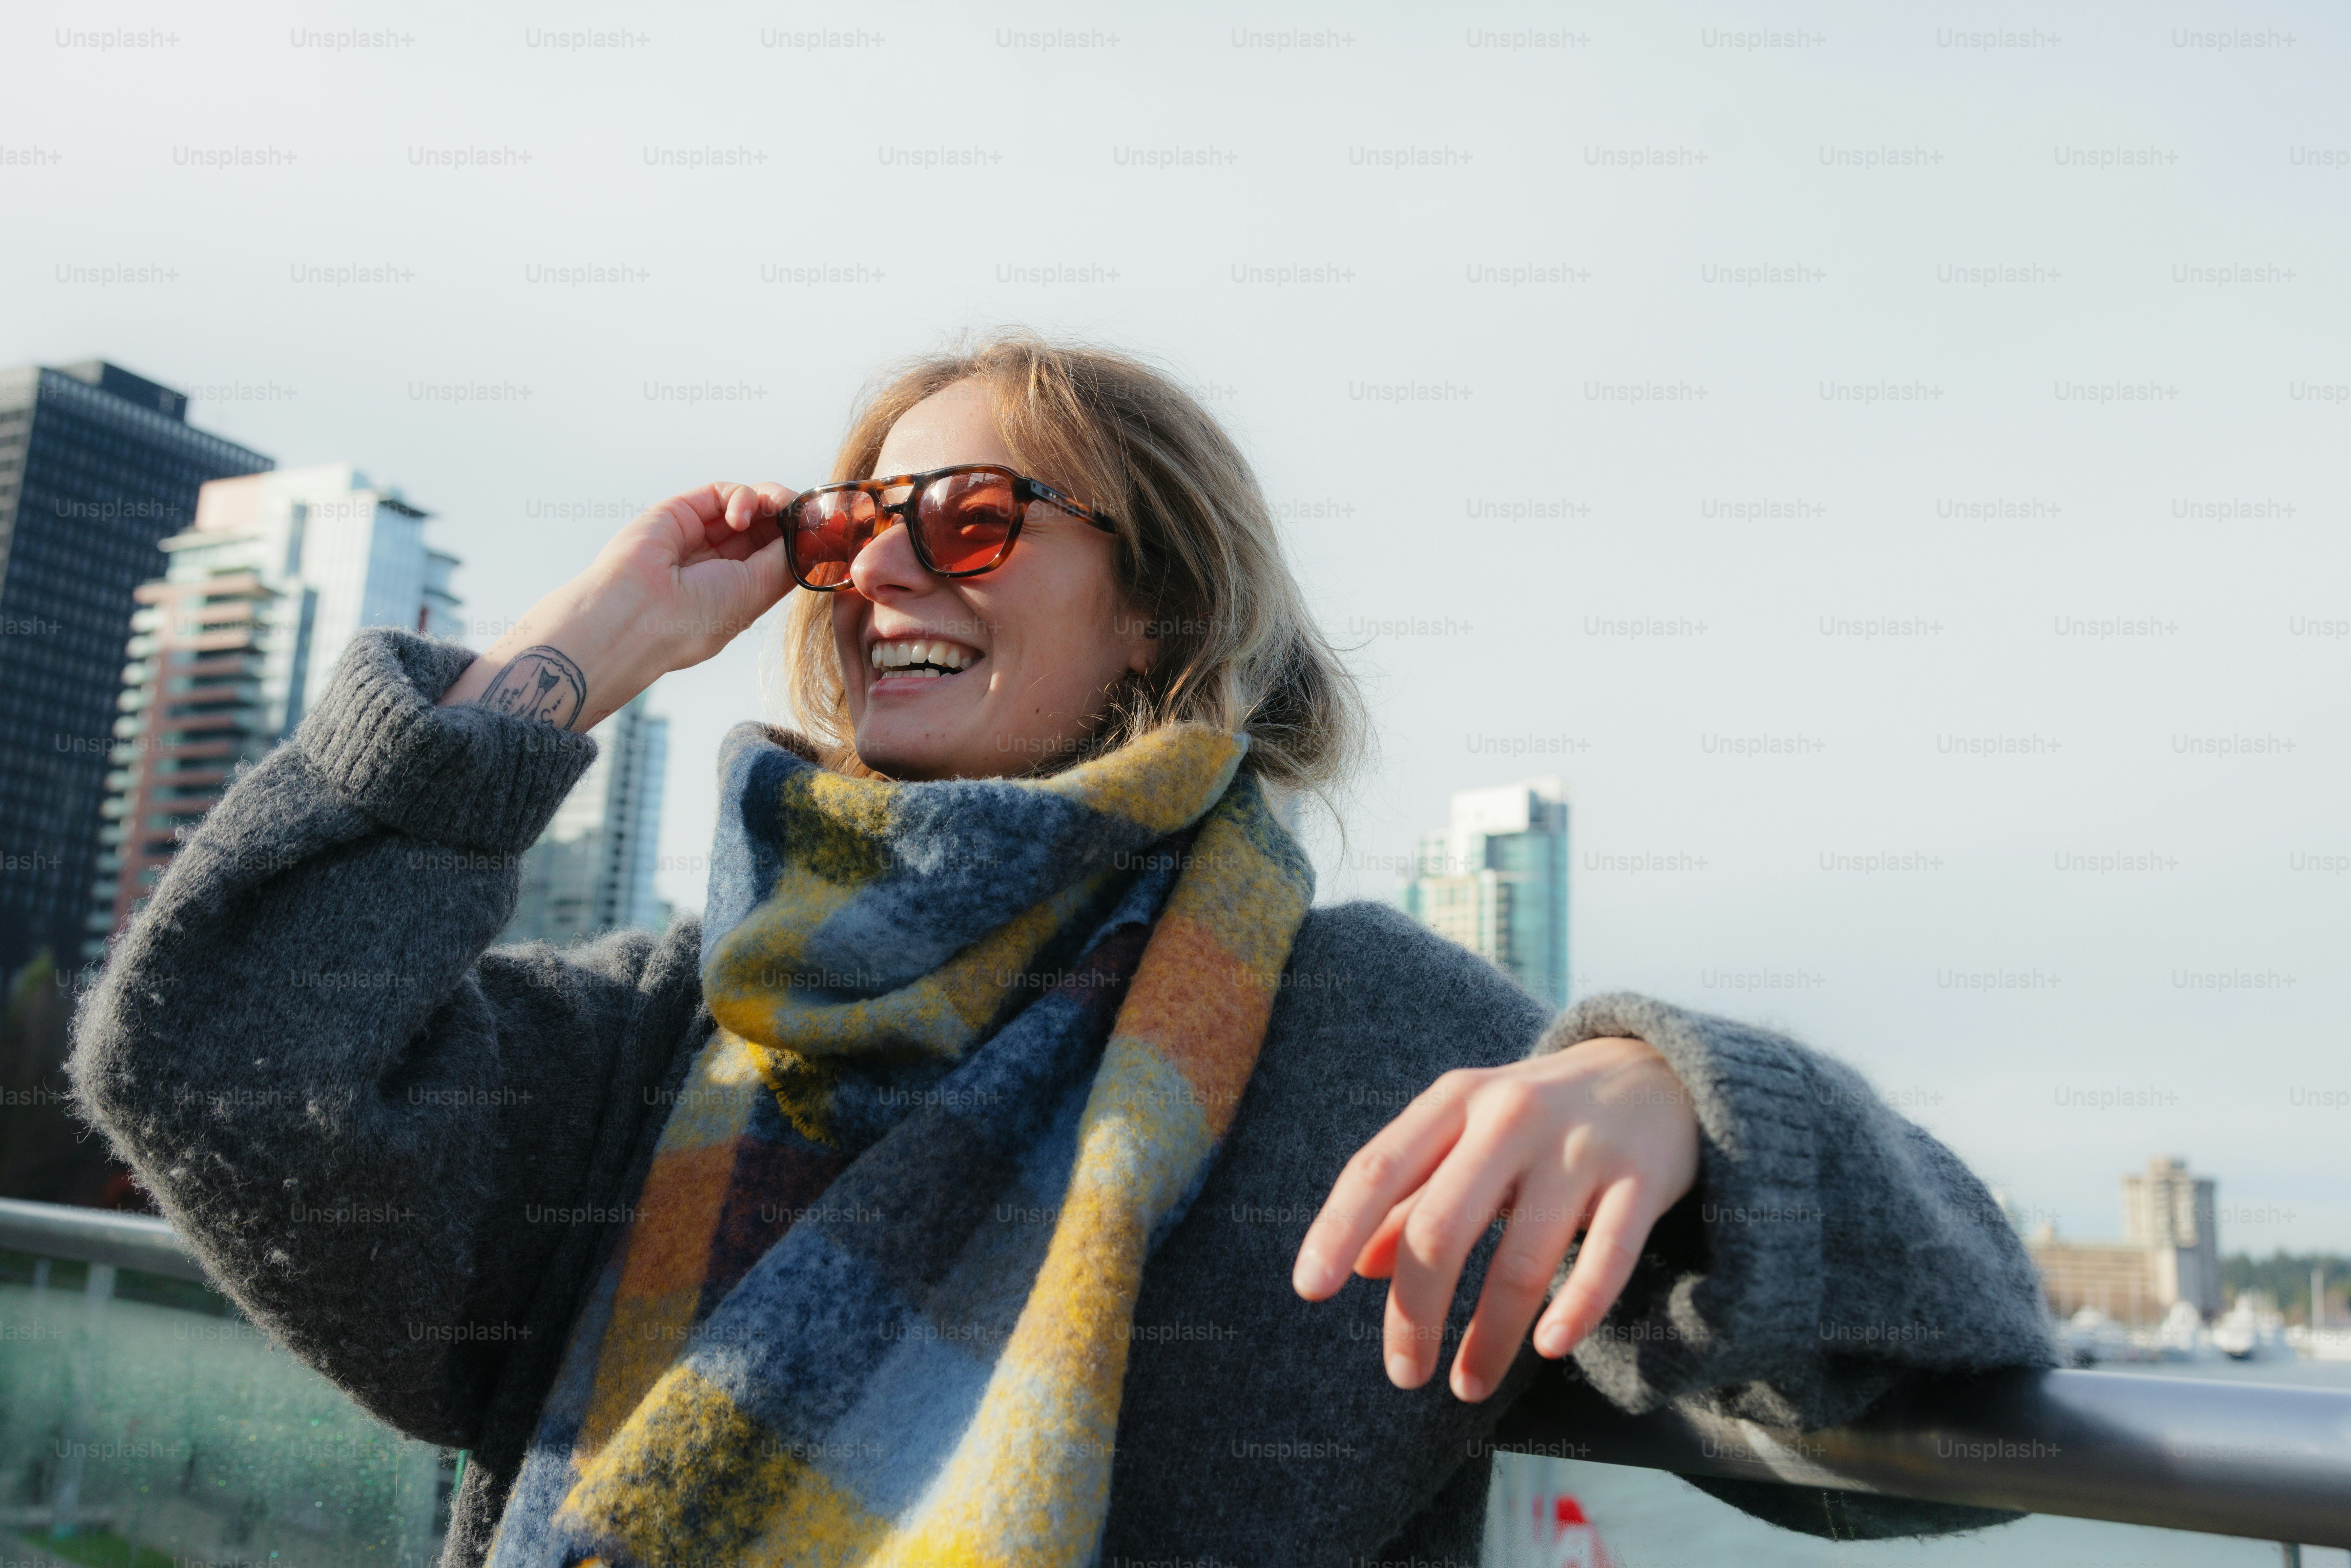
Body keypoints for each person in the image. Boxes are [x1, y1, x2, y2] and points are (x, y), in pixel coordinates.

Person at [71, 334, 2056, 1568]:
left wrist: (1673, 1100)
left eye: (981, 516)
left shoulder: (1367, 1035)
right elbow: (220, 1066)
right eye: (850, 535)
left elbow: (1914, 1443)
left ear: (1160, 621)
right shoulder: (673, 1034)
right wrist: (578, 652)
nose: (892, 572)